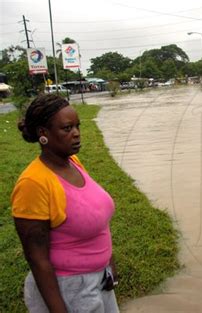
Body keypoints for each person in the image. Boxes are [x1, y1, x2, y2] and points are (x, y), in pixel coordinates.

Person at [11, 94, 119, 313]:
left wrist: (109, 263)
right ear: (43, 133)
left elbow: (98, 220)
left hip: (100, 280)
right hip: (70, 288)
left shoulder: (72, 163)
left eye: (78, 126)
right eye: (67, 128)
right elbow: (37, 258)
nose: (76, 133)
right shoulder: (33, 183)